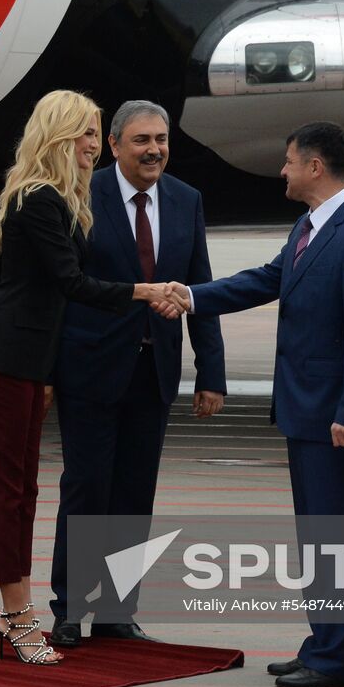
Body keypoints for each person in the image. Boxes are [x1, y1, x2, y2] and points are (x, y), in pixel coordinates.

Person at [160, 120, 344, 687]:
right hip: (309, 407)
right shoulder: (313, 224)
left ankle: (341, 660)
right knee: (319, 534)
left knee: (336, 534)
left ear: (315, 167)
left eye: (289, 161)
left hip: (335, 415)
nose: (283, 171)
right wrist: (193, 296)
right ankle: (323, 644)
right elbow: (266, 280)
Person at [0, 89, 183, 666]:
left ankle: (37, 612)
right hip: (7, 355)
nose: (93, 145)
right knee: (10, 494)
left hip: (28, 359)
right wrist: (143, 290)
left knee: (25, 491)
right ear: (61, 136)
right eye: (87, 133)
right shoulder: (38, 199)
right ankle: (17, 619)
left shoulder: (58, 198)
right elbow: (72, 283)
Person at [47, 100, 226, 648]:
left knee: (133, 495)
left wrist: (210, 371)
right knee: (87, 490)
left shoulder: (185, 200)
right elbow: (61, 288)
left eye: (162, 140)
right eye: (143, 140)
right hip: (89, 370)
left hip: (154, 373)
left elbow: (201, 286)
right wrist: (47, 370)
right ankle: (70, 609)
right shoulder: (81, 192)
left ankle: (117, 613)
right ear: (116, 144)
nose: (155, 150)